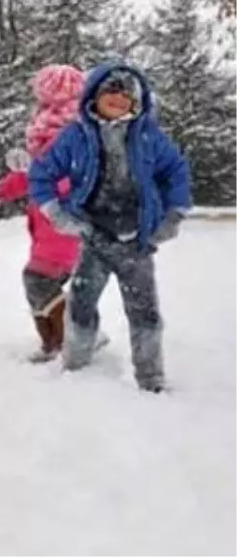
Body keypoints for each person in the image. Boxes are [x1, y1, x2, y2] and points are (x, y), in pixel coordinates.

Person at [28, 62, 192, 393]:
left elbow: (176, 171)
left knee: (144, 312)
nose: (118, 98)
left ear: (138, 100)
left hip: (137, 241)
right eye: (111, 90)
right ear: (94, 95)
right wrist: (56, 213)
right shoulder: (76, 136)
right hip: (94, 236)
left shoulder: (148, 136)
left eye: (126, 93)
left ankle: (151, 378)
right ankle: (76, 366)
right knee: (81, 303)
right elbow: (41, 173)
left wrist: (174, 213)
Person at [0, 65, 88, 362]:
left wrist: (37, 174)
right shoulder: (48, 134)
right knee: (39, 282)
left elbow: (73, 180)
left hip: (63, 227)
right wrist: (0, 190)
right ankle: (56, 343)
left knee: (38, 280)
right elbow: (31, 174)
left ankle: (75, 336)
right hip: (51, 228)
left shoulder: (75, 136)